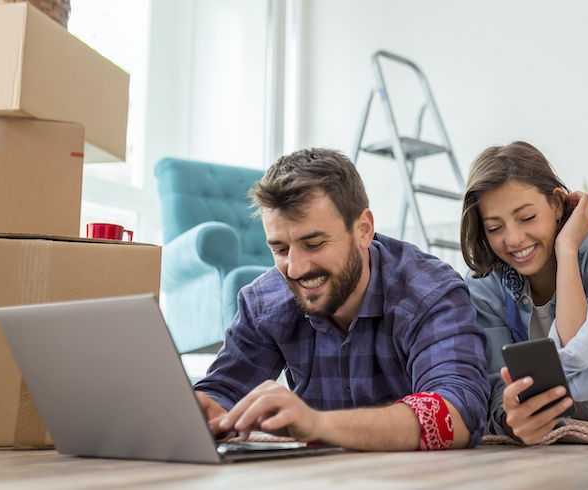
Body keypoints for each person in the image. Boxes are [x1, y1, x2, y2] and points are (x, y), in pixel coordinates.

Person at [194, 148, 489, 451]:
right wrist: (208, 410)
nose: (294, 269)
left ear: (363, 230)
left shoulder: (430, 293)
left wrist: (317, 424)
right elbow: (223, 392)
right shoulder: (263, 304)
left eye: (314, 243)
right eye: (281, 249)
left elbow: (459, 413)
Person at [460, 141, 588, 445]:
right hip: (550, 442)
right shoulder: (484, 286)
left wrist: (566, 251)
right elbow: (497, 389)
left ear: (556, 205)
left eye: (527, 218)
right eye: (495, 228)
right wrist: (511, 417)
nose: (513, 239)